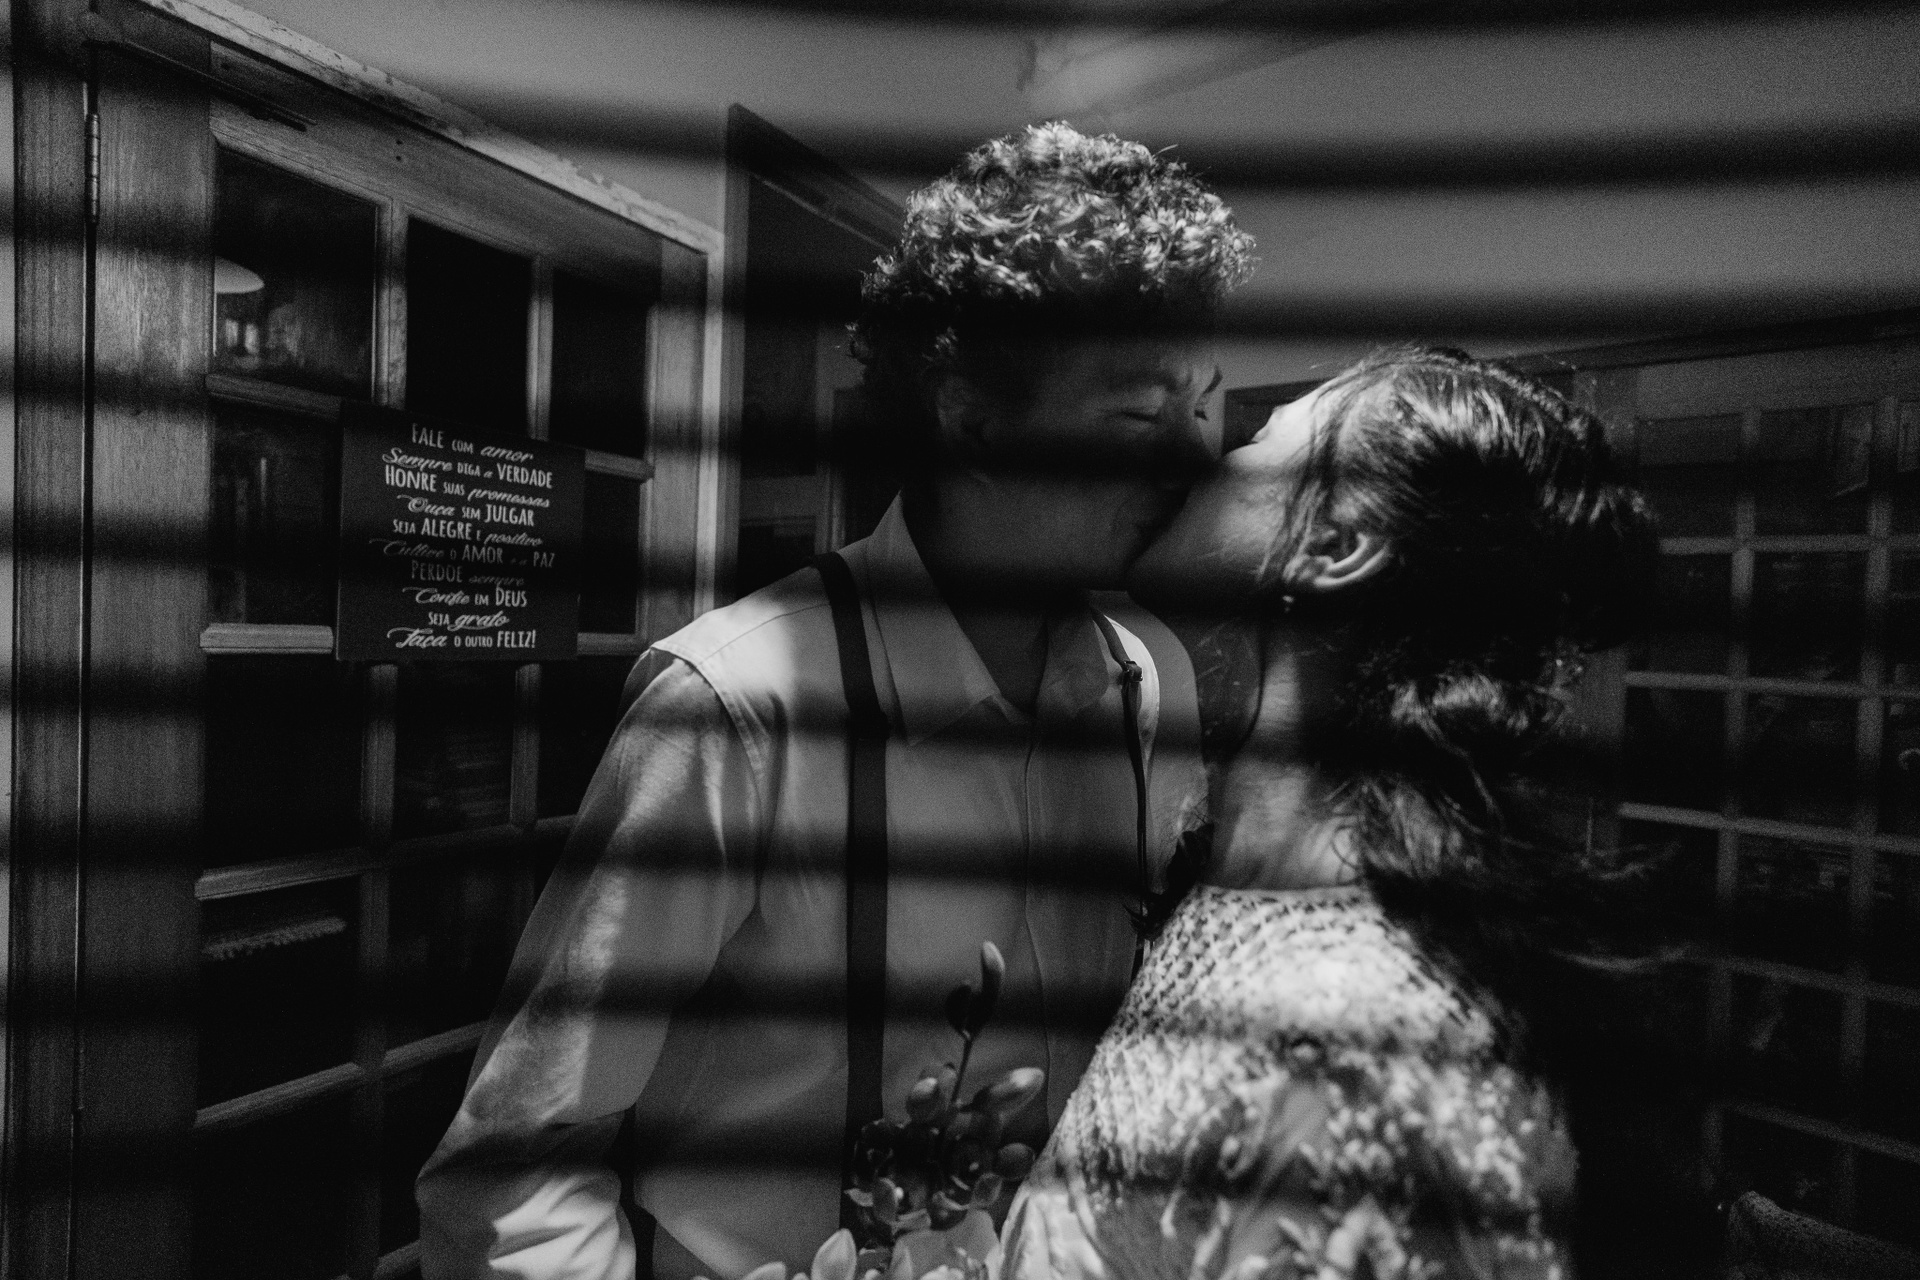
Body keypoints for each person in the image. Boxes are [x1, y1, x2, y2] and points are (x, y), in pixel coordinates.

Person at [417, 123, 1255, 1280]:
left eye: (1203, 408)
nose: (1196, 464)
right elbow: (511, 1176)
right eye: (1138, 418)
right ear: (973, 416)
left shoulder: (1145, 687)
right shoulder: (736, 707)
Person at [999, 349, 1662, 1279]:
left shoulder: (1355, 1047)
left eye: (1262, 437)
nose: (1202, 456)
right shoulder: (1244, 887)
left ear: (1335, 547)